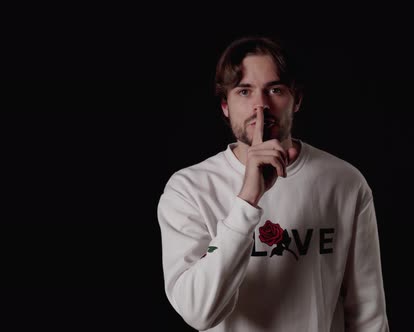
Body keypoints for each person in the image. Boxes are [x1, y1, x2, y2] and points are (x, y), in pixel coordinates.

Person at [157, 36, 389, 332]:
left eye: (275, 90)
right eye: (244, 91)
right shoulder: (189, 189)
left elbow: (367, 310)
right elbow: (199, 312)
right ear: (225, 106)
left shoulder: (344, 181)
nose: (261, 106)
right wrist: (247, 200)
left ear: (297, 100)